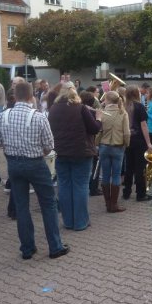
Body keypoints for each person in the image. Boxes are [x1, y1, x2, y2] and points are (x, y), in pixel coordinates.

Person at [0, 82, 69, 260]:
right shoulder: (39, 117)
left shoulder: (3, 116)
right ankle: (55, 247)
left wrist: (9, 145)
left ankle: (27, 248)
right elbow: (49, 146)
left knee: (21, 206)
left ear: (15, 96)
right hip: (35, 164)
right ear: (31, 96)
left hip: (13, 164)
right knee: (48, 204)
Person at [48, 83, 101, 230]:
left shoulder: (53, 109)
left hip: (60, 152)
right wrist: (99, 118)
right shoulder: (81, 108)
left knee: (64, 186)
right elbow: (94, 129)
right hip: (81, 152)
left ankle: (68, 221)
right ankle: (80, 222)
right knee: (80, 186)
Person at [97, 91, 130, 212]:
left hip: (104, 146)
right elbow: (126, 133)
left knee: (105, 175)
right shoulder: (122, 112)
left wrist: (97, 143)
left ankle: (107, 204)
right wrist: (126, 144)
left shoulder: (101, 112)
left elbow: (98, 131)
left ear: (107, 100)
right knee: (116, 175)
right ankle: (114, 205)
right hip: (118, 146)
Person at [123, 85, 152, 201]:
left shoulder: (123, 106)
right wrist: (149, 143)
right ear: (136, 94)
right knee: (140, 167)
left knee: (129, 166)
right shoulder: (139, 106)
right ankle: (141, 194)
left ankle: (126, 192)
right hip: (139, 140)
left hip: (127, 139)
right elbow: (143, 125)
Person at [80, 91, 102, 197]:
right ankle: (93, 188)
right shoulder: (91, 113)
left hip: (81, 144)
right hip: (91, 143)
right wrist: (99, 118)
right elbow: (96, 129)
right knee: (95, 167)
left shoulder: (77, 110)